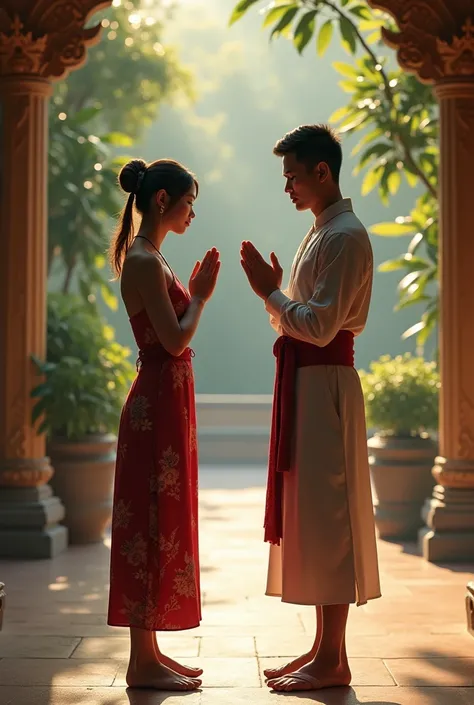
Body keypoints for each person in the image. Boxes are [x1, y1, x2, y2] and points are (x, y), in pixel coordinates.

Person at [240, 124, 381, 692]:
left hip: (325, 385)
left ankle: (334, 658)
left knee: (331, 519)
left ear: (323, 171)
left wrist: (269, 293)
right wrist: (276, 295)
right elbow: (297, 317)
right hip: (310, 383)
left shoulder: (345, 236)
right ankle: (325, 652)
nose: (288, 188)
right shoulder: (322, 232)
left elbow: (319, 327)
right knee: (316, 519)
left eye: (293, 176)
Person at [107, 158, 220, 691]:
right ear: (161, 201)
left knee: (159, 519)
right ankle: (141, 659)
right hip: (155, 401)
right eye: (188, 202)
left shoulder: (152, 257)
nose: (191, 213)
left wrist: (193, 293)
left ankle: (148, 653)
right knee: (147, 524)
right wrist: (199, 297)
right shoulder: (145, 262)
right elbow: (175, 340)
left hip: (164, 401)